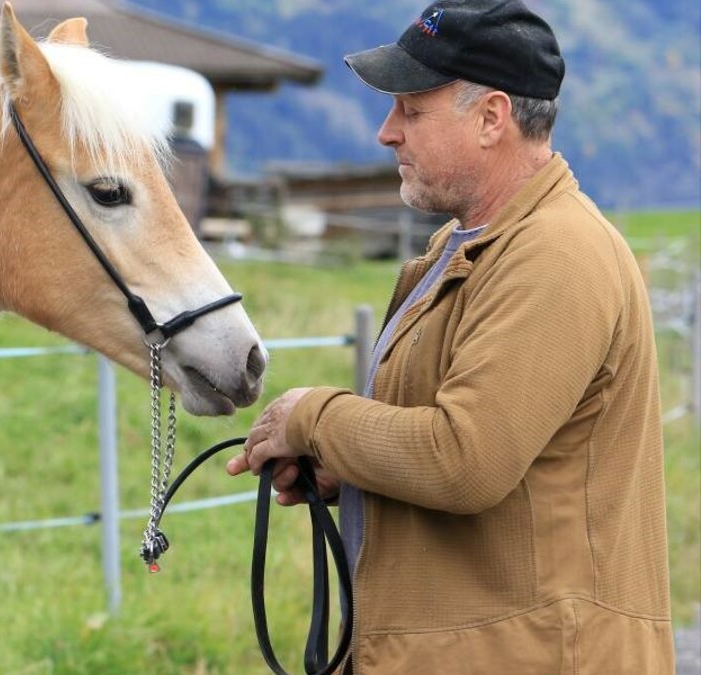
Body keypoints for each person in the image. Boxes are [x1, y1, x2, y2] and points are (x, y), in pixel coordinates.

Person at [226, 1, 675, 672]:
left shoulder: (556, 255)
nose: (386, 133)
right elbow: (484, 456)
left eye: (410, 110)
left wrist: (315, 417)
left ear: (492, 117)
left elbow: (467, 459)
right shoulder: (471, 249)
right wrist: (349, 470)